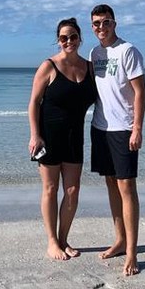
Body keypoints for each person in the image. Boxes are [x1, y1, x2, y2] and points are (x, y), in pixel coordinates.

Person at [28, 17, 97, 261]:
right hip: (48, 137)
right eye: (63, 38)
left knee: (72, 190)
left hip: (74, 137)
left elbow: (110, 92)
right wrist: (35, 135)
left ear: (80, 38)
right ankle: (51, 242)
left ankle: (64, 239)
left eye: (73, 37)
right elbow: (34, 103)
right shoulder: (48, 66)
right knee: (50, 188)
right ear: (58, 41)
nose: (68, 41)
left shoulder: (90, 68)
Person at [89, 4, 145, 276]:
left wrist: (137, 128)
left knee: (127, 189)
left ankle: (132, 253)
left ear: (115, 23)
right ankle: (120, 240)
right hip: (100, 127)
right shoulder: (95, 53)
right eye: (97, 23)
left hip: (123, 129)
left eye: (106, 22)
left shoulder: (128, 50)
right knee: (111, 186)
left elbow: (140, 92)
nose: (101, 27)